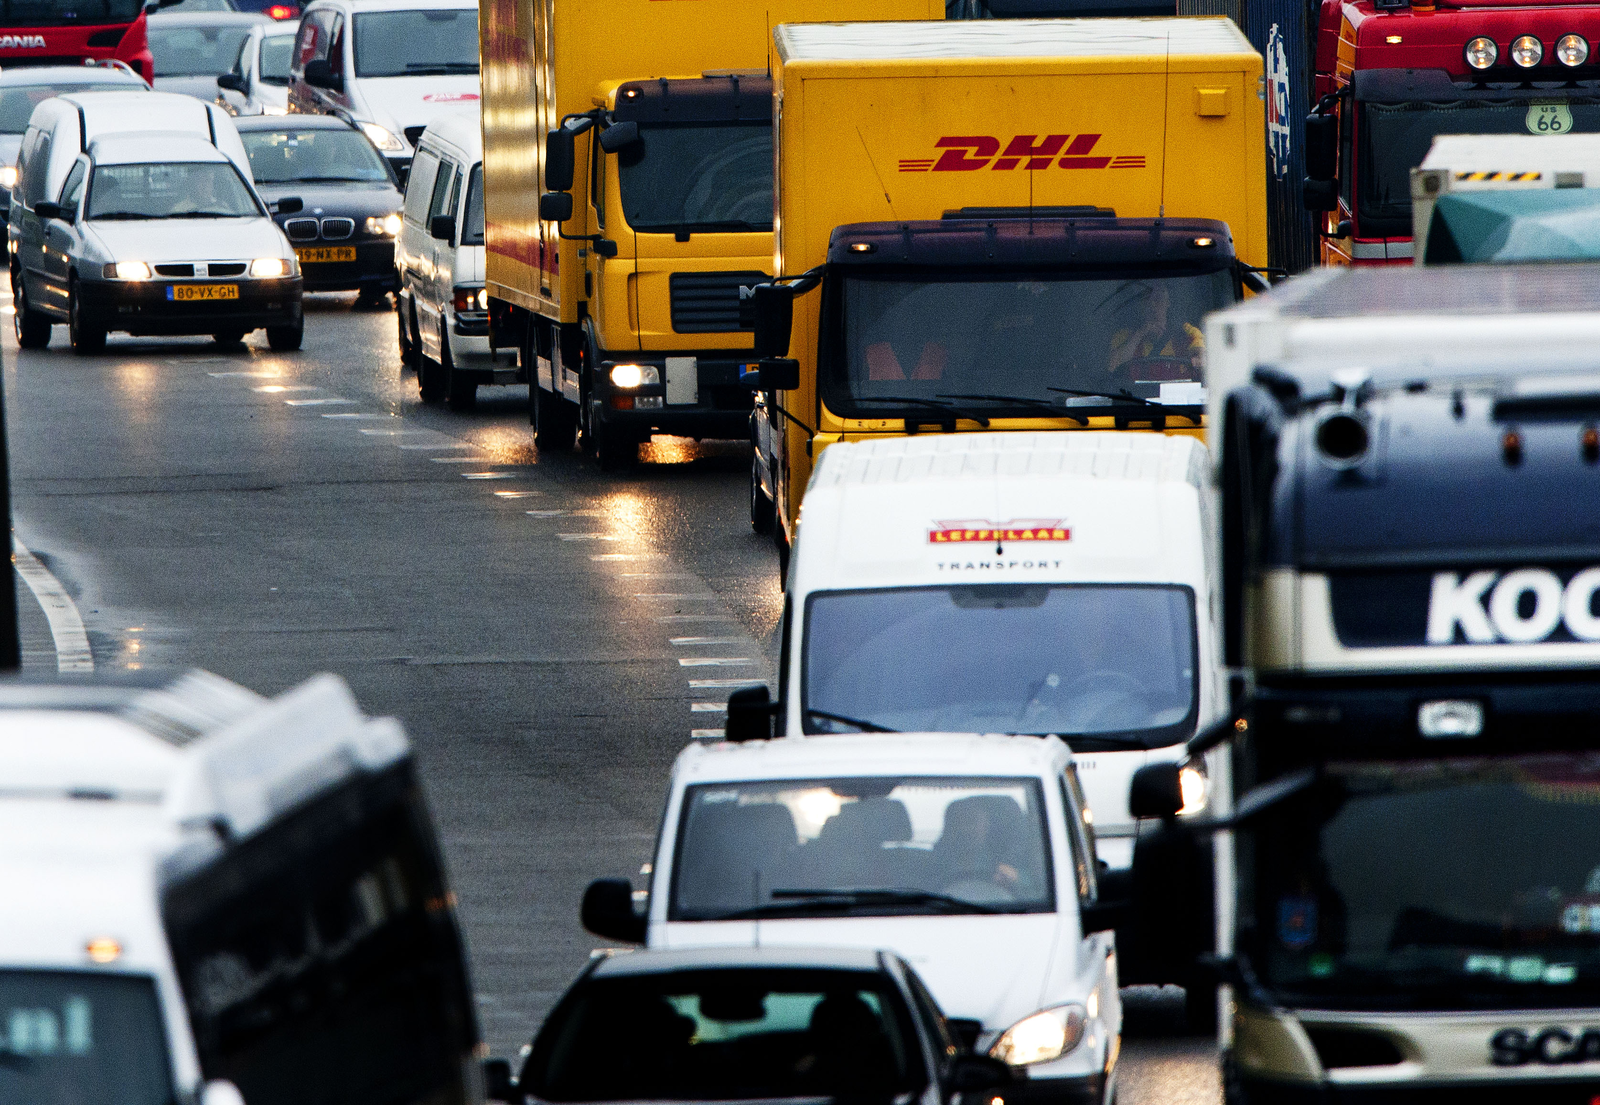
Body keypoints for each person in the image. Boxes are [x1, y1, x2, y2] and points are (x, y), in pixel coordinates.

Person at [1105, 282, 1202, 378]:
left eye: (1158, 299)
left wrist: (1197, 357)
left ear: (1168, 302)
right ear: (1140, 304)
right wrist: (1140, 333)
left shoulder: (1187, 332)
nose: (1152, 305)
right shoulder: (1124, 336)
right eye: (1146, 299)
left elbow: (1203, 356)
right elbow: (1113, 366)